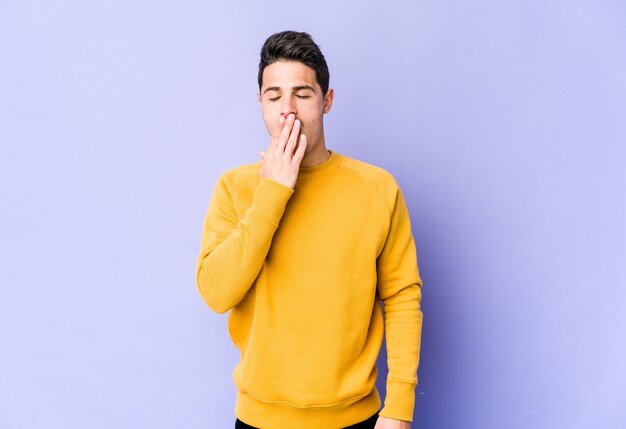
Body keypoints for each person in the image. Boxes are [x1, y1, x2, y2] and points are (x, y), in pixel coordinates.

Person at [195, 30, 423, 429]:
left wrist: (399, 407)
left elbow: (402, 296)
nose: (288, 110)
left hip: (358, 418)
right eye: (274, 96)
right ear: (260, 104)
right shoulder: (234, 188)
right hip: (259, 421)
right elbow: (216, 293)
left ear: (326, 101)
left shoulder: (377, 188)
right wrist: (273, 191)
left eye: (302, 94)